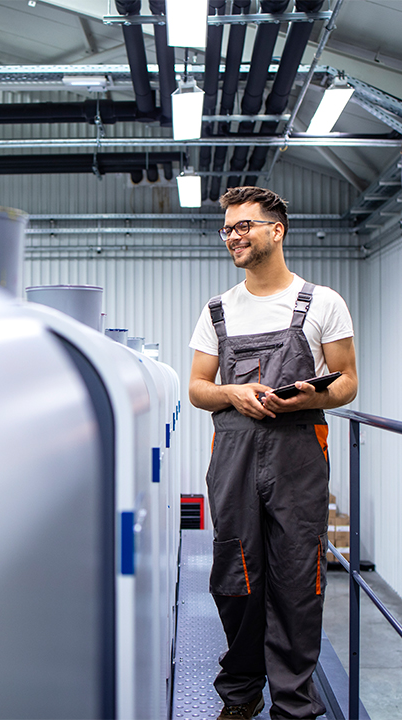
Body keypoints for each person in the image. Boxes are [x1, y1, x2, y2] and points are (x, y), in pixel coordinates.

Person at [188, 186, 358, 720]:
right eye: (228, 229)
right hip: (234, 452)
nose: (234, 237)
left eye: (245, 226)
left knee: (296, 579)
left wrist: (315, 394)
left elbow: (348, 381)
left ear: (276, 230)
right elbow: (196, 387)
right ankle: (240, 695)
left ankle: (292, 704)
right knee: (236, 576)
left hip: (298, 451)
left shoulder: (321, 301)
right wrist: (232, 393)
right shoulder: (218, 310)